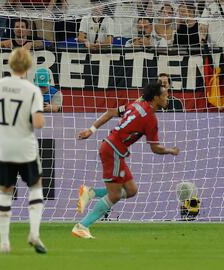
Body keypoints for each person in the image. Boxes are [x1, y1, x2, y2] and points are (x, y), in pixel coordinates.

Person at [71, 80, 180, 239]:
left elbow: (110, 112)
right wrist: (171, 150)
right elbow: (155, 148)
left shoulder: (137, 104)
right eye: (164, 95)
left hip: (113, 149)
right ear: (156, 98)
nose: (167, 98)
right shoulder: (150, 119)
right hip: (112, 150)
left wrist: (91, 129)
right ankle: (82, 226)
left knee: (131, 190)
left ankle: (91, 192)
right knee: (114, 195)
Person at [0, 47, 47, 254]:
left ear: (9, 64)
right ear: (28, 66)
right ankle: (34, 234)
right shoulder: (32, 90)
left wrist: (0, 121)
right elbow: (38, 123)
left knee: (5, 190)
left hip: (3, 147)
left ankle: (4, 244)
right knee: (35, 186)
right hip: (25, 147)